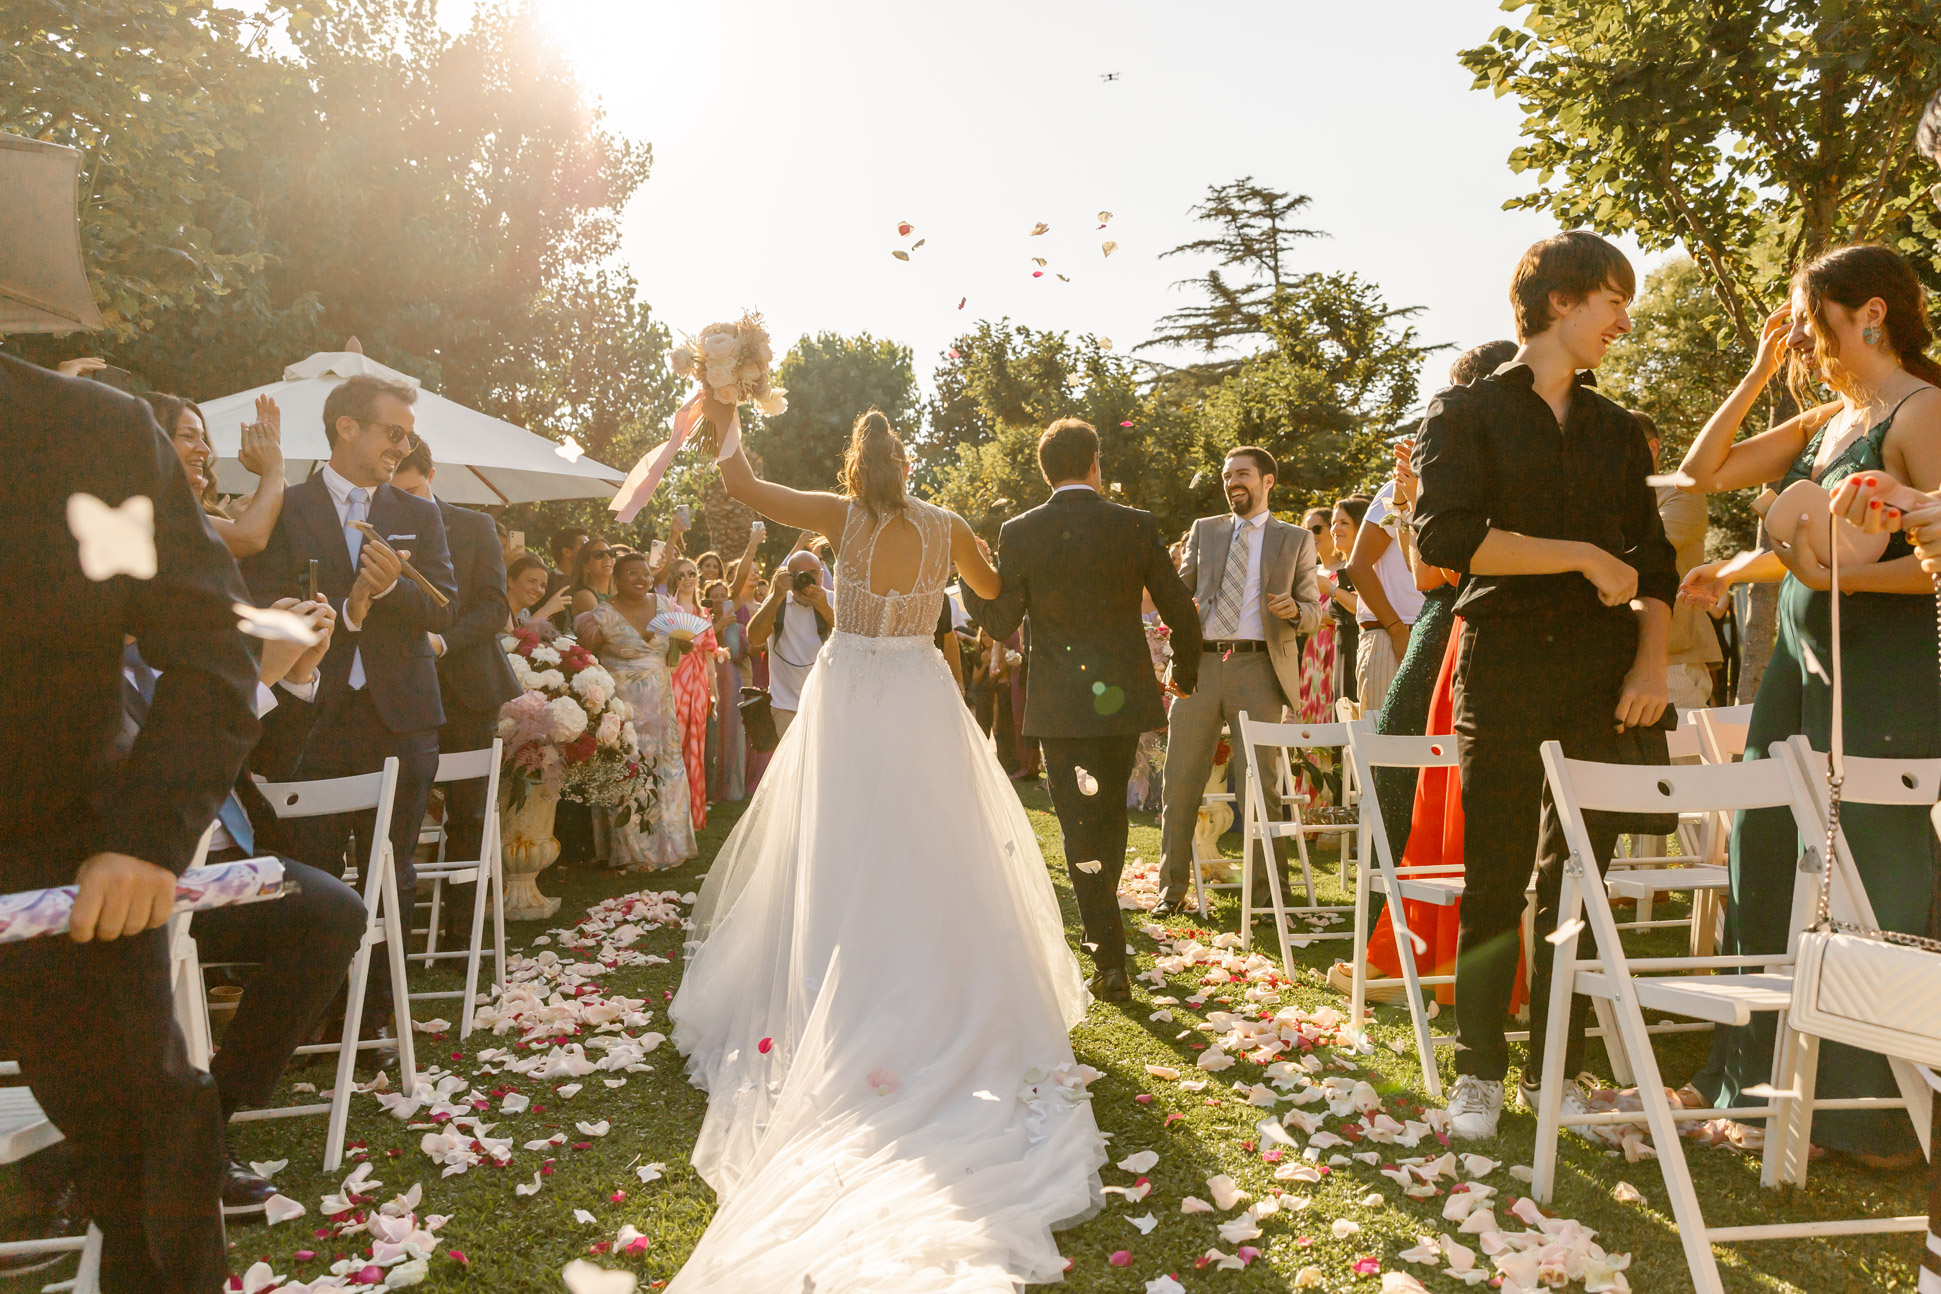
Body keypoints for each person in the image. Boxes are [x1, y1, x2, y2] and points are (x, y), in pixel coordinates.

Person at [668, 403, 1106, 1291]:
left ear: (854, 465)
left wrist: (724, 411)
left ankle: (841, 978)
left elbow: (741, 484)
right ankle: (935, 982)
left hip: (851, 695)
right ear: (906, 465)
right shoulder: (947, 526)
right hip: (921, 696)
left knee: (840, 838)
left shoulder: (840, 517)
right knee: (935, 846)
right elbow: (997, 597)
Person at [1675, 242, 1941, 1166]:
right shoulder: (1832, 418)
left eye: (1807, 315)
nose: (1798, 334)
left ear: (1868, 312)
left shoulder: (1920, 409)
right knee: (1761, 844)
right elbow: (1703, 471)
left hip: (1882, 673)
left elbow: (1932, 561)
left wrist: (1844, 585)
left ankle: (1870, 1112)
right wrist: (1757, 369)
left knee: (1871, 868)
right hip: (1799, 666)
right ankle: (1753, 1080)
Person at [0, 352, 261, 1292]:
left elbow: (210, 649)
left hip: (62, 856)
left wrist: (145, 839)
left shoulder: (92, 430)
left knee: (143, 1135)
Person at [1413, 230, 1676, 1140]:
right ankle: (1478, 1070)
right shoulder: (1462, 413)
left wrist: (1650, 661)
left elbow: (1654, 561)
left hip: (1603, 672)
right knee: (1494, 874)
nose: (1623, 320)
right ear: (1560, 301)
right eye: (1612, 299)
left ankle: (1554, 1069)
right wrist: (1580, 556)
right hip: (1506, 662)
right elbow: (1446, 539)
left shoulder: (1616, 429)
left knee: (1580, 877)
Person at [961, 417, 1204, 994]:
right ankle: (1108, 943)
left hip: (1060, 701)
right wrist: (1185, 671)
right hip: (1121, 697)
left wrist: (967, 577)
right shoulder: (1135, 523)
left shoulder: (1020, 531)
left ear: (1046, 472)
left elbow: (1000, 618)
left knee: (1078, 825)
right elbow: (1180, 606)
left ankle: (1109, 959)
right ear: (1095, 463)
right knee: (1110, 814)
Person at [239, 373, 456, 901]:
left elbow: (444, 608)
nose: (404, 448)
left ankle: (386, 963)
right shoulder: (285, 507)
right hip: (311, 720)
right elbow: (260, 603)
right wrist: (347, 609)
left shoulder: (420, 514)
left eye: (410, 438)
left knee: (394, 876)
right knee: (313, 879)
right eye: (394, 433)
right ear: (347, 427)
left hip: (402, 720)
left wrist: (390, 589)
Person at [1154, 445, 1322, 914]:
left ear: (1268, 481)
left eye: (1242, 474)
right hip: (1200, 666)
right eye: (1227, 476)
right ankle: (1171, 892)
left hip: (1258, 668)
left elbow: (1313, 610)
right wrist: (1176, 608)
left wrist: (1295, 610)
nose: (1232, 483)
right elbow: (1178, 594)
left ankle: (1268, 897)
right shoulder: (1204, 530)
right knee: (1179, 780)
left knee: (1260, 786)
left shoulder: (1295, 539)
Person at [389, 443, 522, 869]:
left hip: (470, 689)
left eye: (412, 491)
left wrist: (443, 642)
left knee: (470, 815)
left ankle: (464, 914)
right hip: (399, 691)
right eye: (394, 494)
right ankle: (394, 906)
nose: (404, 503)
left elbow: (495, 607)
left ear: (431, 476)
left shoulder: (474, 525)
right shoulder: (374, 528)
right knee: (395, 816)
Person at [575, 552, 697, 868]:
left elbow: (677, 651)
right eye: (632, 573)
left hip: (660, 703)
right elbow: (586, 658)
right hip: (621, 707)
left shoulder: (667, 607)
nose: (641, 578)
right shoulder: (600, 616)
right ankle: (630, 852)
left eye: (645, 573)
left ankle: (671, 847)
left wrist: (684, 644)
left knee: (665, 768)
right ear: (616, 579)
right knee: (626, 767)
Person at [1633, 411, 1722, 709]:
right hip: (1621, 659)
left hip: (1673, 662)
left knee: (1681, 741)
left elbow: (1647, 550)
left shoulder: (1681, 492)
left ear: (1652, 447)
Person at [144, 391, 287, 558]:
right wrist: (274, 466)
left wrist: (271, 464)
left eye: (203, 438)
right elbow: (249, 537)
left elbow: (293, 523)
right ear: (153, 440)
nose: (205, 449)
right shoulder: (153, 511)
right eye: (188, 436)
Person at [1346, 448, 1428, 718]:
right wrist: (1397, 630)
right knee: (1383, 736)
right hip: (1388, 635)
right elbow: (1357, 565)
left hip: (1431, 632)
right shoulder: (1396, 490)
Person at [747, 548, 832, 739]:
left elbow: (849, 641)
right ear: (788, 576)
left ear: (821, 575)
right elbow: (754, 638)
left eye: (813, 573)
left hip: (825, 704)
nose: (807, 580)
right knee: (790, 759)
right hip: (785, 706)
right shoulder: (777, 601)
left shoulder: (831, 600)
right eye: (800, 574)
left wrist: (824, 608)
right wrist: (777, 596)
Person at [666, 557, 718, 831]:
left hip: (698, 682)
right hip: (675, 677)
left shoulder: (704, 613)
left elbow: (709, 655)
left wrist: (713, 691)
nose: (687, 579)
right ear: (674, 579)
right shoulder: (667, 608)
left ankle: (693, 814)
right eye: (681, 575)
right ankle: (671, 813)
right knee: (675, 739)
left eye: (692, 574)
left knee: (696, 742)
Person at [1294, 507, 1339, 724]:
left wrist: (1305, 614)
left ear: (1332, 529)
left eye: (1317, 529)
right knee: (1311, 714)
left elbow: (1348, 613)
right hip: (1312, 651)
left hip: (1336, 648)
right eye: (1306, 530)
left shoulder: (1348, 568)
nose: (1311, 535)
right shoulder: (1309, 572)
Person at [1328, 496, 1370, 709]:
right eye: (1333, 523)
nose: (1335, 529)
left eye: (1344, 523)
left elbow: (1365, 607)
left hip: (1360, 653)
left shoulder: (1367, 566)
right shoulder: (1343, 567)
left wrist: (1330, 590)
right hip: (1341, 656)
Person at [507, 553, 572, 630]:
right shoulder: (500, 611)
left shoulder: (522, 616)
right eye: (531, 581)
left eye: (543, 586)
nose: (538, 589)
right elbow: (514, 637)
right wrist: (547, 610)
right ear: (510, 582)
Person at [568, 537, 618, 614]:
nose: (607, 557)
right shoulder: (584, 596)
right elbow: (603, 621)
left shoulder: (618, 595)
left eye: (611, 553)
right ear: (586, 566)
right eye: (599, 554)